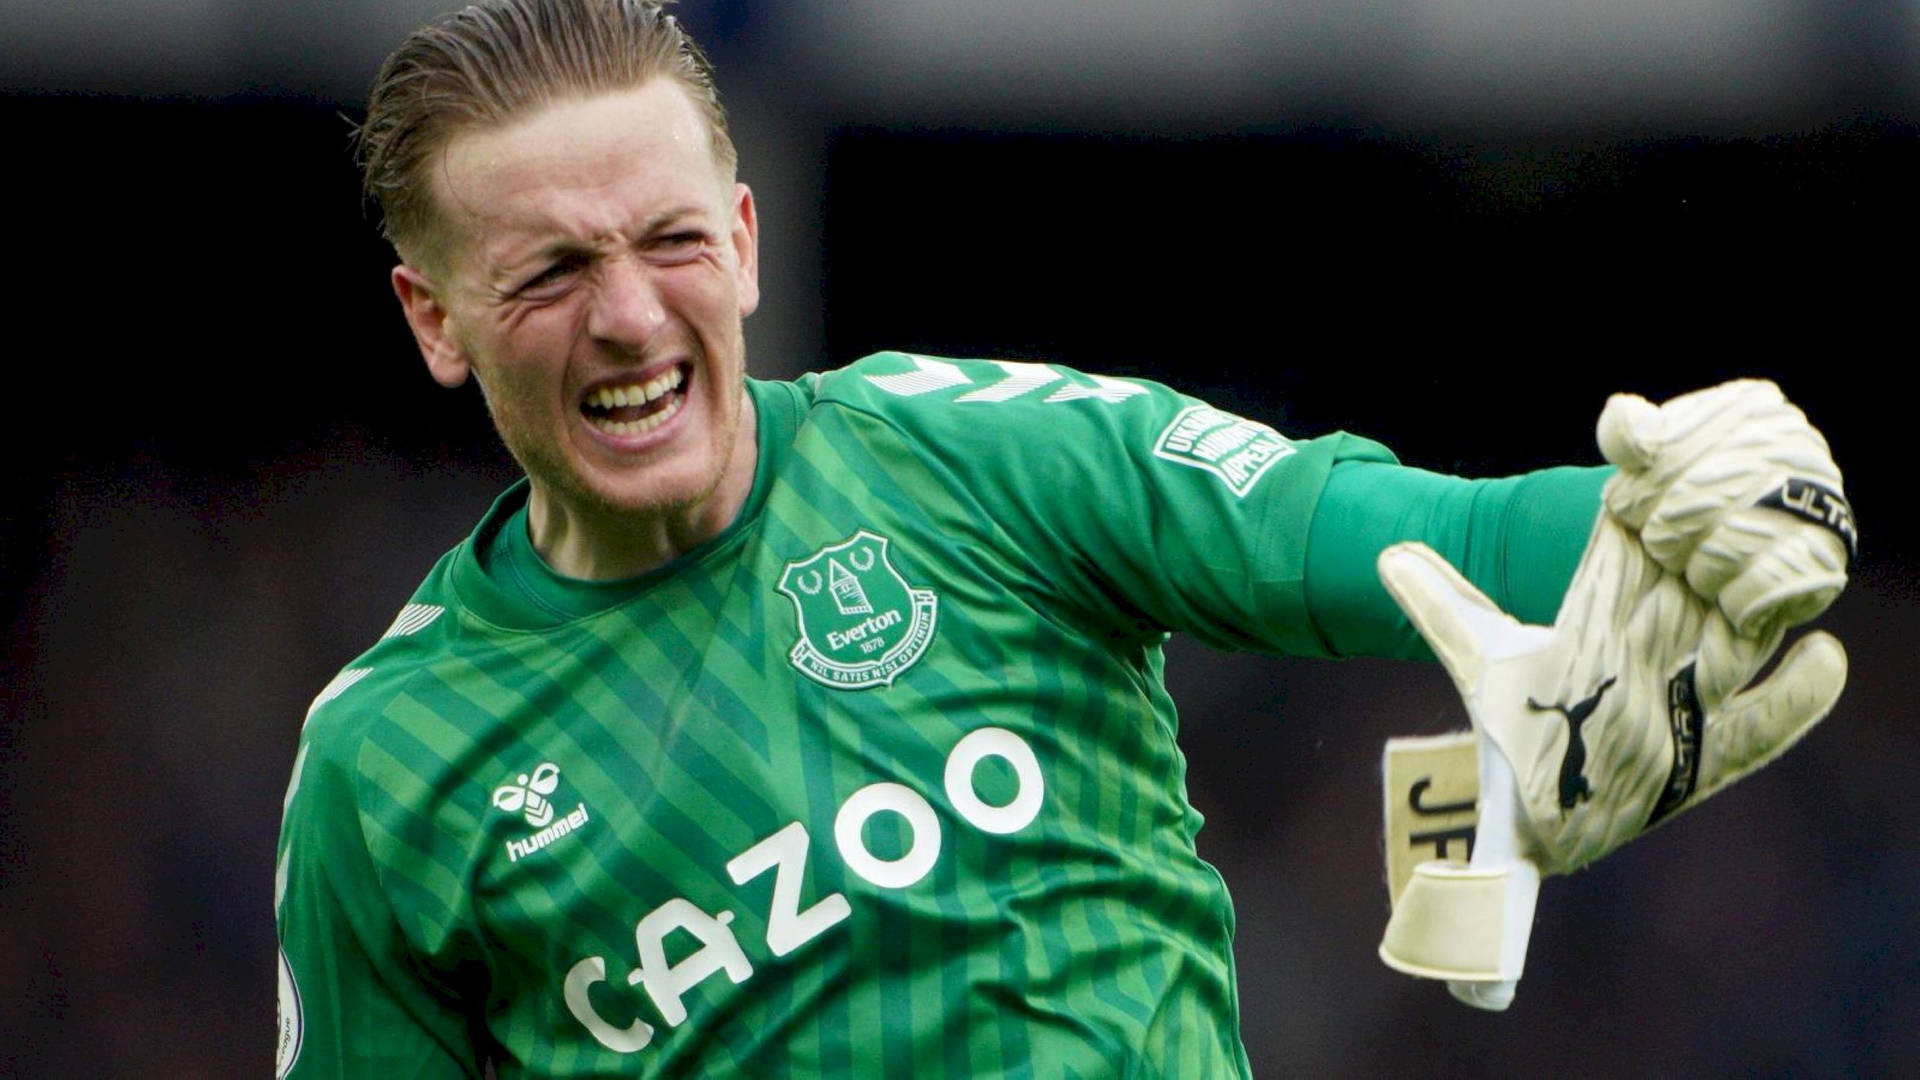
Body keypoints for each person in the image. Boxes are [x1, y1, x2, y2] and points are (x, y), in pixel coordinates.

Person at [273, 1, 1854, 1076]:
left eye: (671, 242)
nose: (629, 320)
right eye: (550, 273)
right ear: (437, 318)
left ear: (744, 245)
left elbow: (1446, 540)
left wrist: (1694, 509)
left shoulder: (982, 459)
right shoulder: (389, 766)